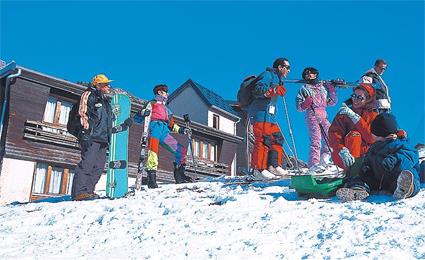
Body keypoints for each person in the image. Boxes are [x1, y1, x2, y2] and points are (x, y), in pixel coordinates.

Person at [336, 113, 420, 202]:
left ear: (379, 134)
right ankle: (358, 190)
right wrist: (366, 167)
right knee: (360, 178)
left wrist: (393, 160)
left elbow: (410, 155)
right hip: (378, 179)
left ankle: (406, 189)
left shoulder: (400, 144)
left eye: (373, 133)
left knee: (407, 177)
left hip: (396, 177)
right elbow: (368, 160)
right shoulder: (374, 148)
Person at [71, 74, 114, 201]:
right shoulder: (89, 95)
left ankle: (88, 191)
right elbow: (82, 112)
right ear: (99, 85)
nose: (109, 87)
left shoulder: (106, 102)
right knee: (87, 164)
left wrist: (125, 122)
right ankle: (79, 192)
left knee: (99, 167)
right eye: (106, 84)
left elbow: (109, 120)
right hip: (91, 136)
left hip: (103, 138)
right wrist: (85, 132)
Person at [247, 58, 290, 180]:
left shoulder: (278, 79)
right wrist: (273, 90)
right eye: (287, 67)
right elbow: (257, 89)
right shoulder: (268, 74)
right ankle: (258, 169)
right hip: (260, 114)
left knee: (277, 138)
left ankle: (273, 166)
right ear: (280, 67)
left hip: (270, 115)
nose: (288, 70)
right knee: (263, 139)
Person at [144, 84, 193, 188]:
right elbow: (140, 116)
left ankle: (180, 175)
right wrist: (143, 113)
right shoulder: (151, 104)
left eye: (166, 92)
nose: (167, 94)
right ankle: (151, 179)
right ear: (159, 93)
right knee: (153, 152)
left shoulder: (167, 110)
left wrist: (182, 130)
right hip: (154, 128)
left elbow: (172, 125)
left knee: (181, 150)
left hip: (164, 131)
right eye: (165, 92)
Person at [295, 67, 338, 169]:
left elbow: (331, 102)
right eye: (306, 74)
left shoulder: (322, 88)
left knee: (332, 135)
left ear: (316, 74)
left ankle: (325, 158)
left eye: (311, 73)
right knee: (316, 139)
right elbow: (298, 107)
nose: (308, 75)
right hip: (312, 115)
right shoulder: (304, 88)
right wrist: (305, 104)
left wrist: (332, 91)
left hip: (323, 114)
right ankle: (314, 163)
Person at [328, 83, 378, 169]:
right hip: (344, 157)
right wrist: (341, 149)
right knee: (354, 135)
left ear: (368, 100)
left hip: (365, 157)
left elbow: (371, 137)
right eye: (354, 96)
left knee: (356, 136)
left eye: (360, 97)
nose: (355, 100)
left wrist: (355, 118)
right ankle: (352, 172)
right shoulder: (344, 113)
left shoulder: (373, 115)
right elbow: (334, 134)